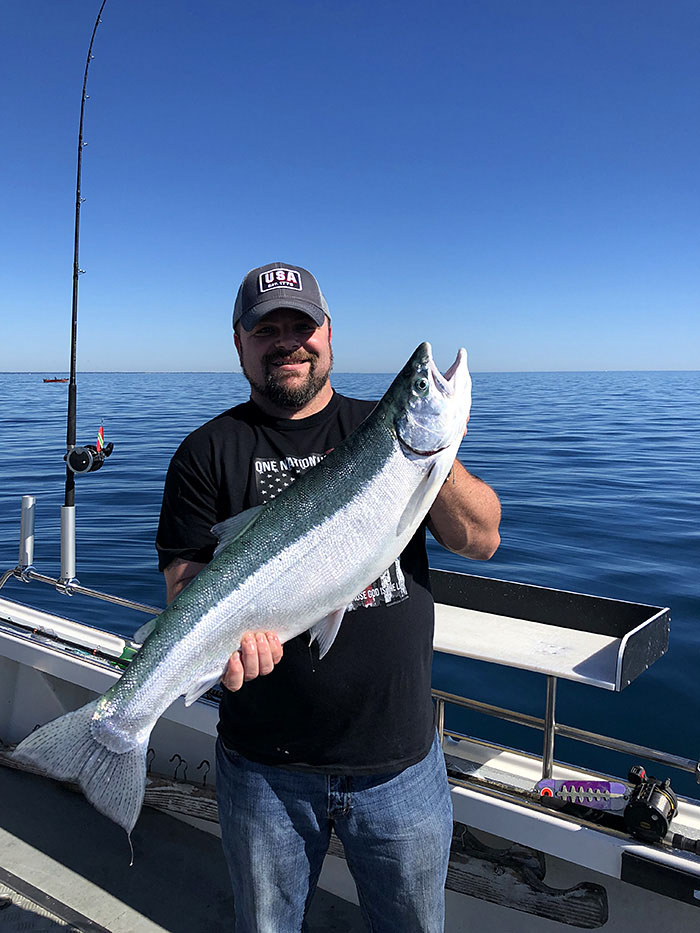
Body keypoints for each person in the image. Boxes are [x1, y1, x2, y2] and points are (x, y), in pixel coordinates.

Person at [156, 261, 501, 932]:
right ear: (240, 344)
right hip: (263, 771)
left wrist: (428, 449)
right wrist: (227, 639)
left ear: (330, 336)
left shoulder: (381, 427)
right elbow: (185, 588)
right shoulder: (205, 452)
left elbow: (481, 537)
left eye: (302, 326)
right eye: (267, 329)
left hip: (400, 762)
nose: (287, 341)